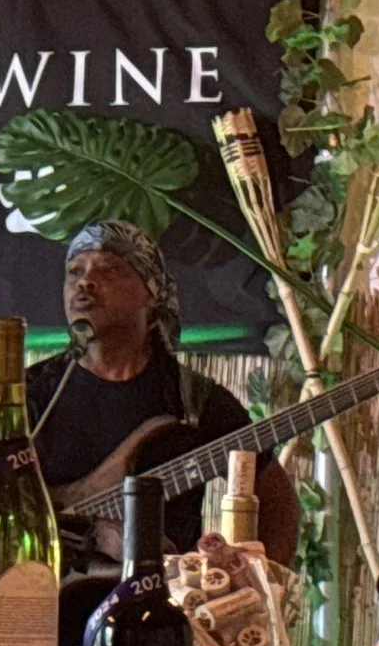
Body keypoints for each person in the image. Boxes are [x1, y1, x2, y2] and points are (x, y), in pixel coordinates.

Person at [27, 219, 299, 563]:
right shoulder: (33, 393)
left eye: (109, 271)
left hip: (163, 609)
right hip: (47, 605)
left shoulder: (193, 401)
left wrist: (259, 585)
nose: (85, 282)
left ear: (151, 293)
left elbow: (276, 501)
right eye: (74, 271)